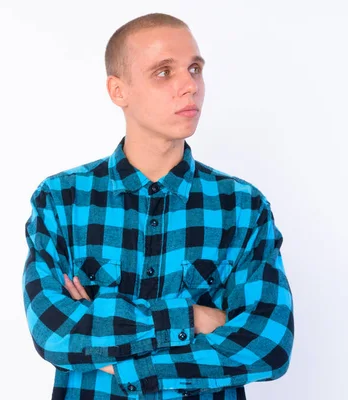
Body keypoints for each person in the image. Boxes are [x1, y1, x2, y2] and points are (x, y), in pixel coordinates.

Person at [21, 12, 294, 400]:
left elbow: (269, 345)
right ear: (119, 91)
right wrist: (194, 318)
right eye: (164, 72)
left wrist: (115, 347)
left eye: (195, 68)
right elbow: (55, 332)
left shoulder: (242, 206)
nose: (190, 86)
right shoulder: (62, 199)